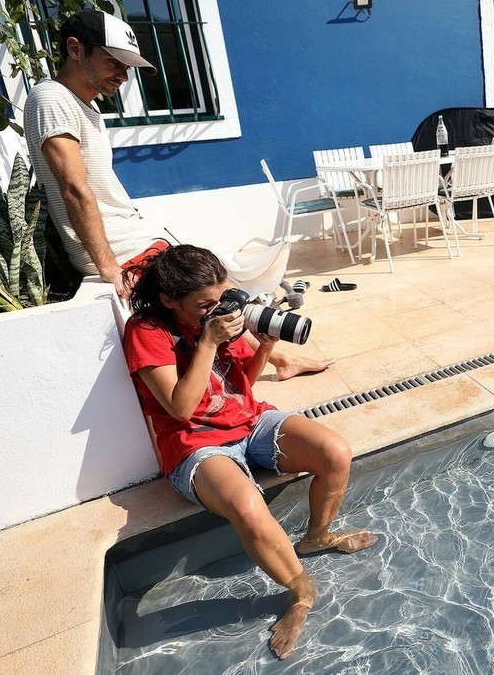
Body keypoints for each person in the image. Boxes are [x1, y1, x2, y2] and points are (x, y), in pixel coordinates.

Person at [24, 9, 329, 381]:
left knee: (225, 289)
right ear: (75, 49)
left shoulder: (87, 109)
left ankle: (277, 358)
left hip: (136, 238)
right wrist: (108, 266)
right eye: (113, 63)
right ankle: (271, 363)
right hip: (123, 249)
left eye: (127, 67)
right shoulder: (51, 98)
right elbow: (74, 188)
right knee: (215, 299)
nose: (123, 76)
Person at [122, 244, 377, 660]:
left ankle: (316, 537)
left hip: (250, 420)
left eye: (220, 297)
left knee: (334, 451)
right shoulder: (148, 330)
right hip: (195, 442)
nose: (217, 309)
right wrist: (207, 342)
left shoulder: (220, 315)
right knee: (247, 506)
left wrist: (264, 346)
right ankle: (301, 591)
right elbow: (180, 408)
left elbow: (245, 380)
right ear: (170, 300)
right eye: (204, 305)